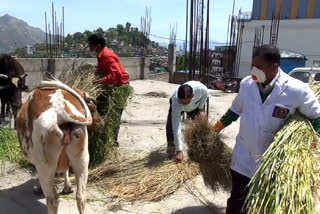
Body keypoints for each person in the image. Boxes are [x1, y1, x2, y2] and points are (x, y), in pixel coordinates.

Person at [212, 45, 320, 214]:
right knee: (235, 204)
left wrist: (313, 145)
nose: (255, 71)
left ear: (274, 67)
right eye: (253, 66)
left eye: (259, 67)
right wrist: (216, 128)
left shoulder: (296, 90)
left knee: (262, 207)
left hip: (271, 164)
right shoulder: (247, 84)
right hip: (243, 158)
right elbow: (235, 110)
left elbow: (316, 117)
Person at [88, 34, 130, 146]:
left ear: (97, 46)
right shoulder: (100, 55)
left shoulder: (106, 55)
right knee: (104, 110)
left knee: (114, 114)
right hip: (112, 85)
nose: (89, 47)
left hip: (120, 87)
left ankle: (113, 142)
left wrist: (100, 81)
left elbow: (117, 74)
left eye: (90, 44)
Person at [166, 81, 208, 162]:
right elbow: (177, 127)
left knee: (197, 127)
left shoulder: (200, 89)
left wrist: (201, 108)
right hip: (178, 105)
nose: (185, 105)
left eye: (187, 102)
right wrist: (179, 150)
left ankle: (195, 150)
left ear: (193, 96)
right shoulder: (176, 102)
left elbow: (205, 93)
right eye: (183, 102)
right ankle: (172, 149)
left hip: (195, 106)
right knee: (171, 126)